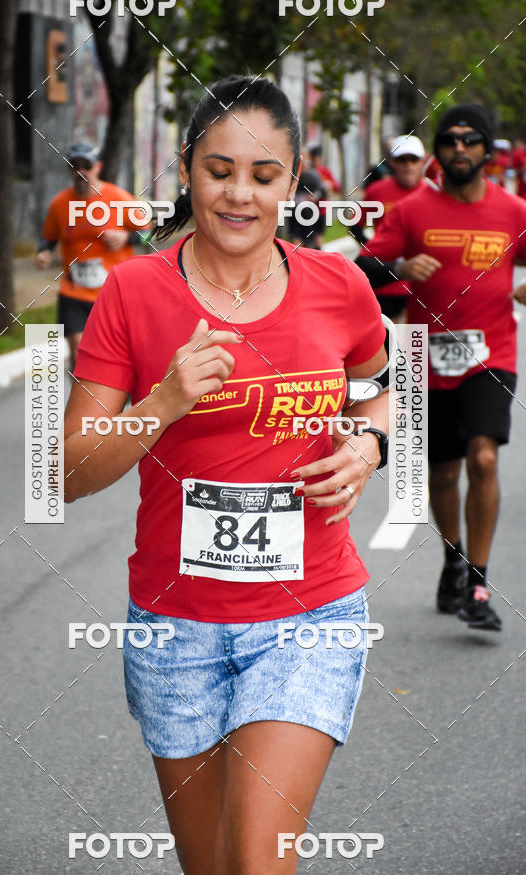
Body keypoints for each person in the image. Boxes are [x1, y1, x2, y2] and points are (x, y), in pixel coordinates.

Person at [63, 75, 389, 873]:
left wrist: (368, 445)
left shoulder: (339, 285)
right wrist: (164, 401)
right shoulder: (135, 292)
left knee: (256, 858)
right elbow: (64, 471)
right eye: (219, 170)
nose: (239, 194)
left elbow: (386, 395)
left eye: (264, 174)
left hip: (311, 613)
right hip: (175, 624)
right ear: (185, 168)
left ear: (294, 176)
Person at [356, 103, 526, 632]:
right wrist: (401, 266)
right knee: (444, 470)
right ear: (438, 150)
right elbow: (362, 266)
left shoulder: (512, 212)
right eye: (449, 140)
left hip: (490, 353)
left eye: (470, 140)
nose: (459, 149)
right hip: (422, 356)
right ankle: (453, 561)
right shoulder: (412, 211)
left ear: (486, 150)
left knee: (484, 459)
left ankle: (478, 579)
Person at [35, 142, 141, 371]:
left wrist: (126, 238)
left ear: (98, 167)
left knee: (114, 354)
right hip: (74, 291)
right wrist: (43, 252)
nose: (81, 172)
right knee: (78, 349)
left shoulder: (119, 198)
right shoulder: (59, 204)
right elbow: (49, 238)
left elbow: (150, 235)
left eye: (87, 165)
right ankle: (81, 403)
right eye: (75, 166)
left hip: (114, 293)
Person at [350, 134, 426, 321]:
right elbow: (355, 226)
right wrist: (372, 251)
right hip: (385, 281)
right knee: (386, 343)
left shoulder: (434, 194)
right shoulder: (377, 191)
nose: (408, 165)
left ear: (422, 162)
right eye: (402, 159)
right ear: (393, 162)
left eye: (413, 159)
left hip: (419, 285)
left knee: (416, 344)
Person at [287, 147, 327, 248]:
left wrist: (315, 196)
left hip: (310, 211)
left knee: (310, 238)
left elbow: (321, 191)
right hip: (295, 211)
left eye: (303, 156)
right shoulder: (292, 174)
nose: (301, 159)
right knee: (296, 237)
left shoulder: (313, 174)